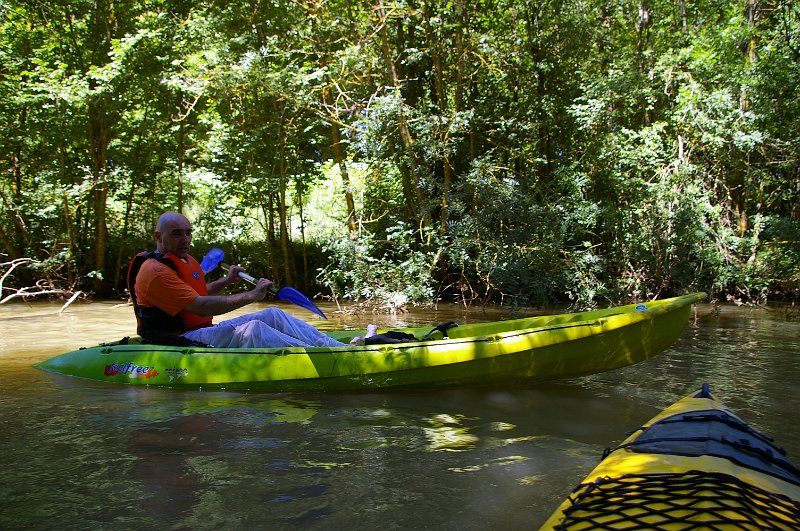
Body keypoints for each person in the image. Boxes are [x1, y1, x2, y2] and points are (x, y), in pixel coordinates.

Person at [128, 211, 346, 348]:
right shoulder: (154, 271)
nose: (185, 239)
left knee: (273, 314)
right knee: (255, 329)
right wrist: (251, 295)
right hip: (176, 340)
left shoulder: (182, 259)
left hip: (200, 331)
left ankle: (339, 348)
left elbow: (198, 292)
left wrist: (227, 280)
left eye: (188, 232)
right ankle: (321, 356)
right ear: (158, 236)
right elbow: (200, 306)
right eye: (177, 234)